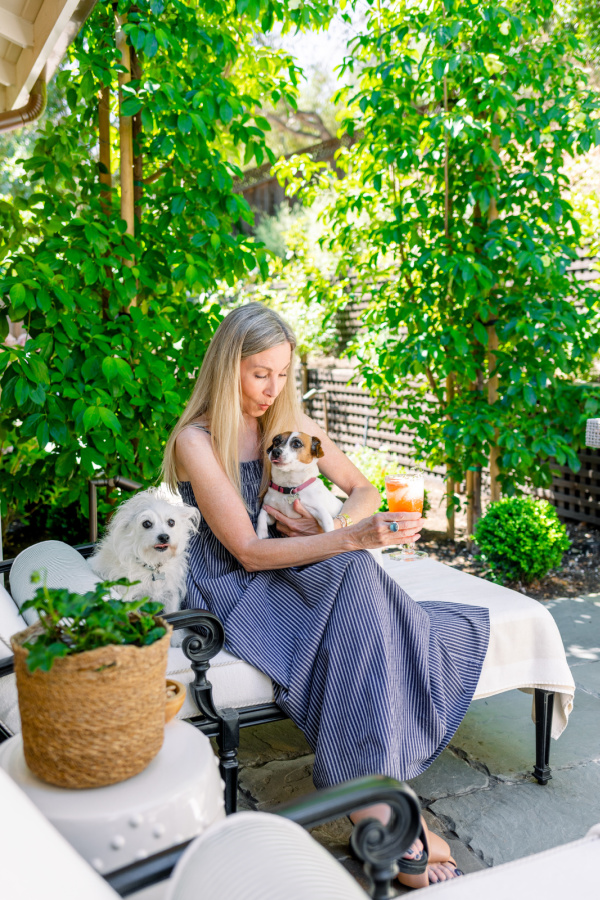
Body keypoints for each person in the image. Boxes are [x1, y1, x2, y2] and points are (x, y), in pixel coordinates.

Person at [162, 302, 489, 887]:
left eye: (284, 373)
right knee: (360, 574)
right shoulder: (198, 439)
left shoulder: (290, 424)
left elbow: (361, 487)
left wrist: (334, 529)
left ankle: (369, 791)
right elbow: (248, 552)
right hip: (235, 584)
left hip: (293, 565)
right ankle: (383, 808)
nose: (274, 387)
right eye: (261, 372)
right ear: (227, 364)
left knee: (359, 575)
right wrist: (350, 537)